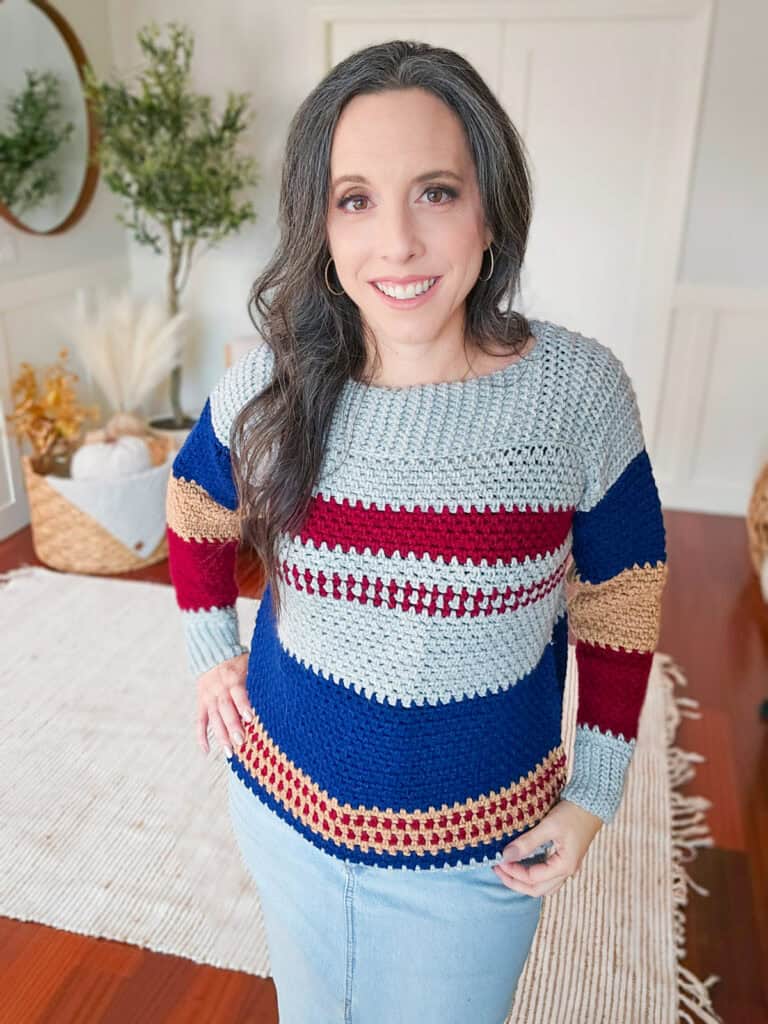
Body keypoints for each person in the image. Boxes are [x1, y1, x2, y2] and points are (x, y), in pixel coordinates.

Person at [165, 39, 668, 1024]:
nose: (395, 243)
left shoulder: (577, 393)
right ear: (319, 219)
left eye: (435, 191)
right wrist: (206, 649)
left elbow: (623, 592)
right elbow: (193, 503)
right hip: (283, 813)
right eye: (355, 198)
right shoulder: (274, 384)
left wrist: (596, 791)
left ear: (491, 206)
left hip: (479, 856)